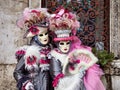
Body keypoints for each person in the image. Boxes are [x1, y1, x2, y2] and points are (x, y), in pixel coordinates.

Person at [48, 7, 105, 90]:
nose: (65, 46)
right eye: (62, 44)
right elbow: (58, 81)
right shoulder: (55, 57)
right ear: (57, 44)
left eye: (67, 43)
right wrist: (78, 75)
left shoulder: (73, 54)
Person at [13, 7, 54, 90]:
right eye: (41, 35)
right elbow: (17, 72)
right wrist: (26, 83)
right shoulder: (29, 52)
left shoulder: (51, 50)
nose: (45, 37)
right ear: (35, 37)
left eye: (45, 34)